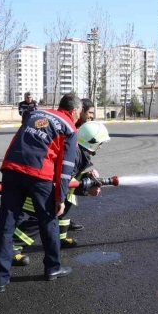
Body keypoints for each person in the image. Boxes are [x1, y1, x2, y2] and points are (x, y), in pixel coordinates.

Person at [0, 93, 81, 293]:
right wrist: (60, 197)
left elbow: (18, 139)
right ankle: (52, 267)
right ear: (74, 110)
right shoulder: (69, 127)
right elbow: (65, 167)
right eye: (80, 113)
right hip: (40, 173)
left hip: (12, 168)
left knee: (6, 224)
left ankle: (0, 279)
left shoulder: (36, 113)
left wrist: (8, 167)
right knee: (49, 221)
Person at [11, 121, 111, 265]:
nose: (101, 146)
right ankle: (12, 248)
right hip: (41, 190)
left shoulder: (77, 150)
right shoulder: (75, 154)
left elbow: (70, 177)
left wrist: (86, 177)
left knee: (65, 206)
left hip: (45, 187)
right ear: (92, 142)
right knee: (37, 220)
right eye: (100, 143)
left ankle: (60, 239)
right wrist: (87, 188)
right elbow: (63, 183)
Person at [66, 97, 95, 233]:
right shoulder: (72, 126)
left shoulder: (82, 127)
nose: (92, 117)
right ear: (81, 111)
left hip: (74, 166)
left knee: (69, 192)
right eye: (90, 113)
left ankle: (63, 219)